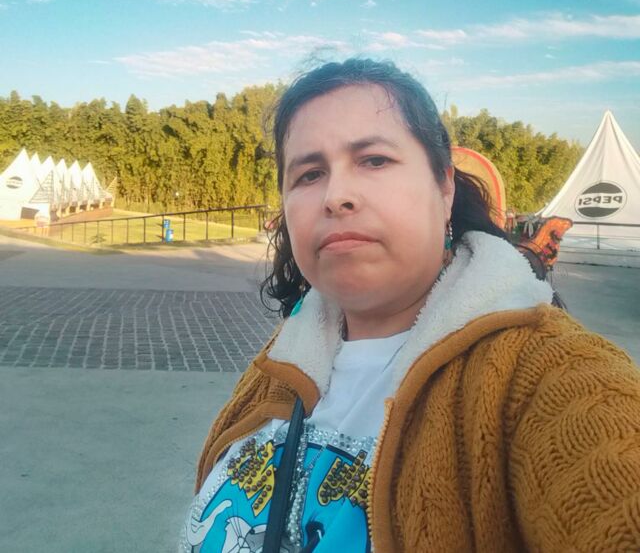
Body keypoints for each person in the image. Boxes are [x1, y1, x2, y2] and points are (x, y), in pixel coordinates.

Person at [182, 58, 640, 553]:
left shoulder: (548, 374)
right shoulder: (282, 362)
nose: (336, 196)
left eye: (374, 160)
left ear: (444, 187)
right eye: (309, 174)